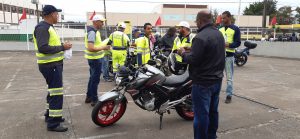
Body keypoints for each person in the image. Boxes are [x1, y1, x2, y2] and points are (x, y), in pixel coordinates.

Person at [178, 10, 225, 139]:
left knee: (201, 115)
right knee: (213, 112)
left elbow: (193, 60)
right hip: (217, 80)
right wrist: (192, 49)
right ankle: (212, 136)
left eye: (196, 22)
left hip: (202, 83)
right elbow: (210, 52)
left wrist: (182, 53)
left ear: (199, 21)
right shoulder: (219, 34)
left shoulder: (200, 37)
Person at [33, 5, 72, 132]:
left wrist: (62, 46)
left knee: (52, 91)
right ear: (50, 14)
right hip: (51, 65)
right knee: (56, 93)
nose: (58, 16)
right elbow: (43, 48)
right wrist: (63, 48)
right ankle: (53, 123)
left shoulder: (48, 27)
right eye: (56, 13)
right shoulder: (42, 28)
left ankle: (50, 115)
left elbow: (51, 45)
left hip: (53, 65)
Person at [84, 15, 111, 106]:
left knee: (92, 78)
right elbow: (91, 48)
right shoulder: (92, 32)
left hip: (93, 59)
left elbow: (94, 45)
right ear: (95, 22)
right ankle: (94, 99)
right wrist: (104, 47)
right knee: (95, 80)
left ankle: (89, 97)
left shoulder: (94, 31)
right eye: (101, 22)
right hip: (95, 59)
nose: (102, 23)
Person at [219, 11, 241, 103]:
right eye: (222, 18)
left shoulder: (235, 29)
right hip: (219, 56)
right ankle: (216, 94)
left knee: (229, 77)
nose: (223, 20)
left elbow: (238, 42)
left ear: (229, 18)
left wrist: (229, 45)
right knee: (218, 76)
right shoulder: (219, 29)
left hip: (229, 56)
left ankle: (229, 95)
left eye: (224, 18)